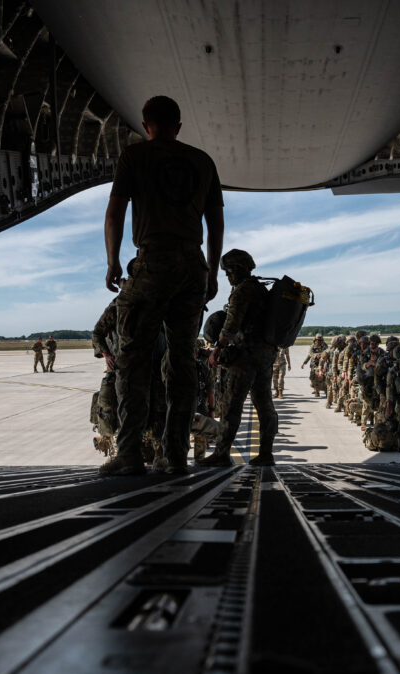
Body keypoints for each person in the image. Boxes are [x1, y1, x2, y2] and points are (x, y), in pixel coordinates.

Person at [102, 95, 225, 476]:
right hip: (192, 266)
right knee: (182, 363)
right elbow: (216, 222)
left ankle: (130, 453)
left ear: (145, 124)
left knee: (134, 360)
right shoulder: (202, 161)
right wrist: (212, 271)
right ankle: (174, 456)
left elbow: (115, 212)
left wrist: (112, 261)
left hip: (153, 262)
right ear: (179, 125)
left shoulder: (134, 157)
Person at [201, 249, 278, 467]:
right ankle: (266, 453)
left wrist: (219, 348)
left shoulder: (243, 290)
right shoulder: (261, 289)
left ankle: (222, 454)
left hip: (245, 356)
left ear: (239, 269)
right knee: (264, 404)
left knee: (231, 405)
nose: (228, 277)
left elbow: (232, 322)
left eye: (229, 272)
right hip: (265, 355)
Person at [91, 302, 120, 458]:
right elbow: (96, 335)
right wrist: (106, 355)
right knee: (106, 406)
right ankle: (109, 445)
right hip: (116, 370)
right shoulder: (117, 306)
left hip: (143, 369)